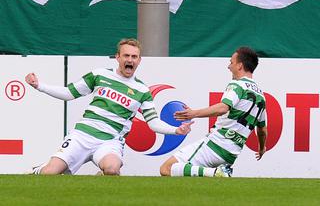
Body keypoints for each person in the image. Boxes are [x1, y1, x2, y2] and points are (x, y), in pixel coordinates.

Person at [25, 38, 193, 175]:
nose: (130, 60)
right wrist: (39, 86)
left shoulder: (142, 90)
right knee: (50, 173)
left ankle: (102, 175)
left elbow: (153, 123)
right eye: (126, 55)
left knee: (112, 170)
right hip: (82, 135)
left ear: (139, 60)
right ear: (118, 57)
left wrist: (176, 130)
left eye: (134, 57)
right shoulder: (99, 75)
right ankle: (39, 170)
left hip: (110, 142)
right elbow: (69, 93)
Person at [160, 46, 267, 177]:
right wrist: (262, 148)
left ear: (240, 66)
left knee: (166, 168)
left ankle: (217, 173)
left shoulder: (237, 85)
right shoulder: (261, 96)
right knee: (193, 177)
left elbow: (223, 108)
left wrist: (194, 113)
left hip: (215, 145)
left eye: (231, 62)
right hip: (231, 154)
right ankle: (217, 173)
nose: (229, 67)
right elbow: (262, 130)